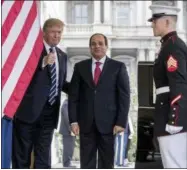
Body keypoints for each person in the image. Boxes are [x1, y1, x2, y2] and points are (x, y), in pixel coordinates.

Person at [12, 18, 69, 168]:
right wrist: (42, 63)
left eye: (59, 32)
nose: (57, 35)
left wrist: (83, 88)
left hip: (50, 113)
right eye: (53, 32)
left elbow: (60, 83)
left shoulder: (62, 56)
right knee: (22, 155)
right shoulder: (29, 50)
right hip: (27, 111)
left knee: (43, 156)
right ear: (44, 33)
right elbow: (20, 75)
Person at [68, 33, 130, 168]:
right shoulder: (80, 67)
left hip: (109, 125)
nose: (97, 46)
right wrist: (73, 121)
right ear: (89, 47)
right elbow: (73, 97)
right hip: (85, 124)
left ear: (106, 46)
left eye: (100, 43)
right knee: (86, 162)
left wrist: (121, 122)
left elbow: (124, 97)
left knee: (107, 163)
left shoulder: (118, 67)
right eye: (93, 44)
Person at [148, 7, 187, 168]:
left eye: (155, 21)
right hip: (165, 112)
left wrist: (175, 119)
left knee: (175, 164)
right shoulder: (168, 45)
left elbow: (179, 84)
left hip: (170, 117)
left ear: (167, 21)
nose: (152, 25)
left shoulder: (173, 47)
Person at [59, 99, 76, 168]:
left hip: (70, 130)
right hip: (67, 130)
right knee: (68, 148)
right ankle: (66, 164)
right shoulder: (66, 104)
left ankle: (68, 163)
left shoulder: (68, 103)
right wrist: (71, 129)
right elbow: (67, 117)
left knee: (70, 148)